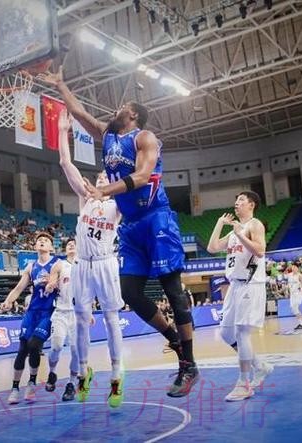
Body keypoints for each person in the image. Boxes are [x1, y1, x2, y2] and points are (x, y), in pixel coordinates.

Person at [43, 67, 198, 397]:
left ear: (132, 114)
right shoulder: (109, 135)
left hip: (156, 217)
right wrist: (60, 84)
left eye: (121, 107)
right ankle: (174, 338)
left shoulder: (144, 138)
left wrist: (104, 191)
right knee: (130, 292)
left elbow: (141, 177)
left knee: (172, 290)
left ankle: (189, 364)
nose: (114, 110)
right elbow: (79, 113)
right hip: (131, 225)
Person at [56, 110, 124, 406]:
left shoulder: (117, 206)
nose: (100, 179)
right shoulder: (85, 199)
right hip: (82, 264)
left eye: (105, 177)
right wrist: (62, 131)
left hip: (106, 263)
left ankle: (117, 375)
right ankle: (83, 372)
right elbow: (65, 162)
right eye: (98, 176)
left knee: (111, 318)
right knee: (82, 320)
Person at [207, 192, 272, 401]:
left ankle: (244, 383)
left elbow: (260, 251)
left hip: (250, 284)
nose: (237, 203)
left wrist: (241, 235)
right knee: (226, 333)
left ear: (251, 204)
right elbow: (212, 248)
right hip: (234, 285)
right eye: (236, 200)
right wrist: (220, 223)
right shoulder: (234, 230)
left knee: (242, 332)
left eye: (241, 200)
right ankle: (260, 366)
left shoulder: (255, 225)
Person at [1, 233, 60, 404]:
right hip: (32, 312)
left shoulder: (57, 264)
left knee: (34, 345)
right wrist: (8, 301)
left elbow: (59, 281)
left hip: (48, 312)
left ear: (51, 247)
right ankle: (15, 388)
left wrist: (52, 284)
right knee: (22, 349)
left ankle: (32, 383)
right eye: (39, 240)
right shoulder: (31, 267)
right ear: (35, 246)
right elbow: (18, 288)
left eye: (46, 240)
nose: (42, 241)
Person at [45, 238, 80, 402]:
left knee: (76, 350)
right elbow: (51, 282)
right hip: (60, 312)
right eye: (68, 244)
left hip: (78, 314)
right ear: (65, 250)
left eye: (74, 244)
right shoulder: (59, 265)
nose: (71, 245)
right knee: (57, 347)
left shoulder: (84, 265)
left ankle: (71, 383)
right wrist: (50, 286)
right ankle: (52, 372)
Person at [287, 265, 302, 329]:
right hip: (292, 294)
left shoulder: (300, 276)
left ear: (297, 269)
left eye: (295, 267)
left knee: (295, 308)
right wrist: (288, 291)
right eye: (293, 267)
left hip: (298, 293)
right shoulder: (289, 275)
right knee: (293, 310)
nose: (294, 268)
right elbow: (289, 284)